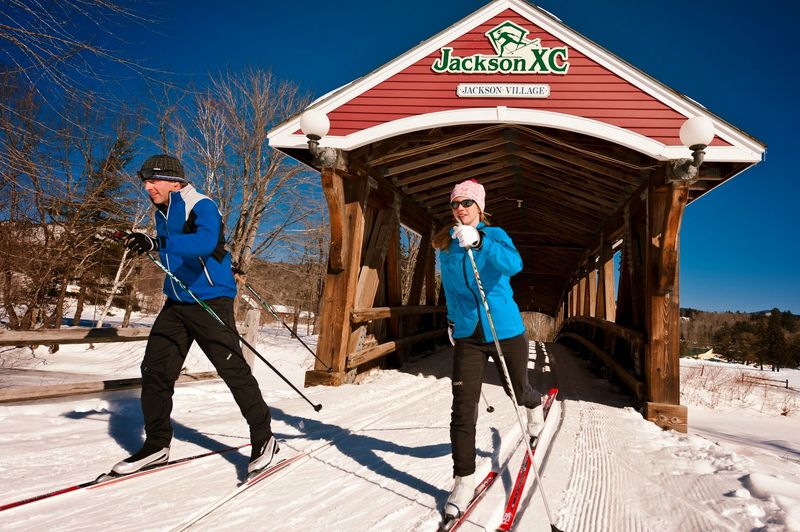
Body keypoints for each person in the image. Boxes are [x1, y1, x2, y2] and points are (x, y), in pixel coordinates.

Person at [112, 154, 277, 478]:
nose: (147, 187)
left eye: (153, 180)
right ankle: (157, 444)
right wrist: (145, 240)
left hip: (210, 300)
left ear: (175, 181)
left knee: (232, 369)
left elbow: (204, 241)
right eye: (145, 181)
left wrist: (158, 242)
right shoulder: (163, 211)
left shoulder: (201, 204)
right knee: (156, 370)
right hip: (177, 301)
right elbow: (178, 249)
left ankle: (264, 437)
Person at [433, 179, 544, 519]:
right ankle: (463, 479)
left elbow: (514, 266)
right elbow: (451, 290)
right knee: (463, 407)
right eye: (455, 204)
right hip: (468, 335)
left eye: (467, 202)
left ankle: (533, 404)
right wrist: (452, 322)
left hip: (504, 330)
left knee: (516, 388)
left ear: (480, 207)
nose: (461, 208)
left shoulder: (495, 236)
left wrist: (480, 242)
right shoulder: (446, 246)